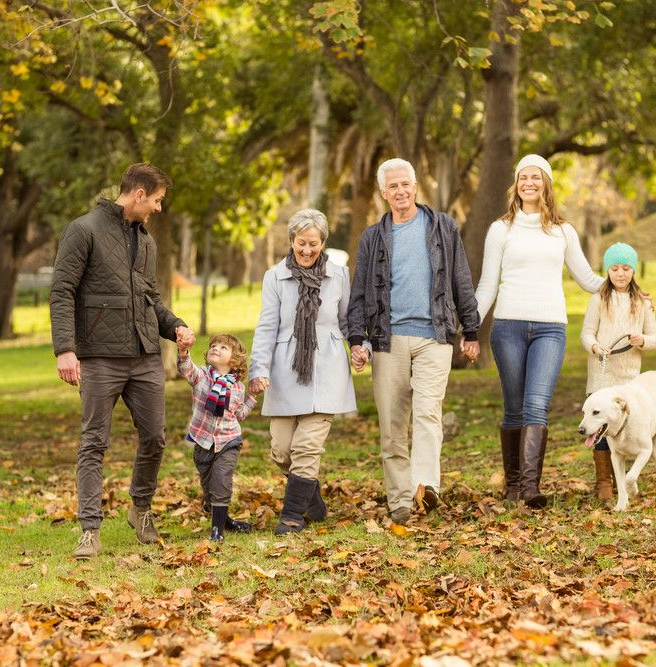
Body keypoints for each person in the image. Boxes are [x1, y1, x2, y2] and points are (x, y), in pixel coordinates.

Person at [50, 162, 195, 560]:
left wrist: (175, 326)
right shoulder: (84, 230)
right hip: (99, 357)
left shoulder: (145, 241)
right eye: (158, 200)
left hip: (145, 355)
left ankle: (140, 510)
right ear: (139, 195)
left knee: (155, 436)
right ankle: (89, 529)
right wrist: (65, 348)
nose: (159, 209)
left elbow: (151, 299)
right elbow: (62, 290)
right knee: (94, 441)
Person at [347, 158, 481, 526]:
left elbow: (461, 279)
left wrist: (470, 330)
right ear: (383, 193)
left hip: (434, 337)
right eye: (393, 187)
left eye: (406, 184)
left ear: (416, 186)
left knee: (427, 413)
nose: (401, 191)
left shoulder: (442, 226)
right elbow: (358, 292)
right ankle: (400, 500)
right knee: (392, 426)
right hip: (387, 341)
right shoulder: (373, 237)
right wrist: (356, 338)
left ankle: (425, 485)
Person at [474, 154, 604, 509]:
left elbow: (588, 278)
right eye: (522, 177)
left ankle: (530, 489)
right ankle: (513, 486)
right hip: (508, 327)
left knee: (536, 406)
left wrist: (624, 285)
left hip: (550, 328)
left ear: (546, 183)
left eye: (535, 177)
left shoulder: (563, 231)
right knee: (513, 409)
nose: (528, 183)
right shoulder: (501, 229)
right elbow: (487, 285)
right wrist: (468, 325)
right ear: (516, 184)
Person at [248, 209, 357, 536]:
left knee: (307, 448)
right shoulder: (275, 276)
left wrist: (359, 346)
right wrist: (258, 368)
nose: (307, 250)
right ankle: (313, 500)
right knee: (283, 450)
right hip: (286, 371)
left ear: (323, 243)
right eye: (300, 244)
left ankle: (292, 516)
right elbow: (266, 326)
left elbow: (347, 319)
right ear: (291, 241)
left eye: (313, 244)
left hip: (327, 368)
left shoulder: (338, 275)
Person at [580, 242, 656, 500]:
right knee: (599, 425)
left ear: (634, 271)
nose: (620, 274)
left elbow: (655, 338)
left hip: (629, 379)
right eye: (614, 268)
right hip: (602, 375)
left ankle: (622, 481)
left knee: (624, 426)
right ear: (607, 271)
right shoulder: (598, 300)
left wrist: (642, 341)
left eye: (626, 268)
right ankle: (603, 482)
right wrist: (594, 346)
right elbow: (586, 333)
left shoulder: (643, 303)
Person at [176, 334, 258, 541]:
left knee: (221, 481)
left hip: (229, 440)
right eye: (213, 345)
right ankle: (225, 520)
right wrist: (183, 352)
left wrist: (253, 398)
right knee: (210, 489)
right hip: (203, 442)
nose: (216, 348)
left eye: (223, 347)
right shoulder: (202, 376)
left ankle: (217, 532)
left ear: (235, 359)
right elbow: (187, 369)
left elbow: (239, 414)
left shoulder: (237, 387)